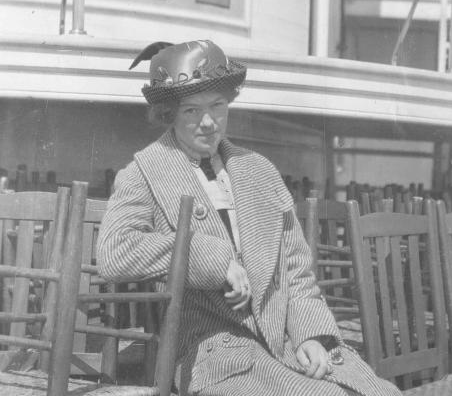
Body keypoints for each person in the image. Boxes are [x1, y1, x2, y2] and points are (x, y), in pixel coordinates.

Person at [97, 40, 401, 396]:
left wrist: (310, 335)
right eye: (192, 111)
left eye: (218, 106)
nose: (208, 122)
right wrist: (212, 258)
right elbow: (113, 253)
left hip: (284, 336)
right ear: (169, 113)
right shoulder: (143, 172)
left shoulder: (259, 169)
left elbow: (296, 270)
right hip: (214, 351)